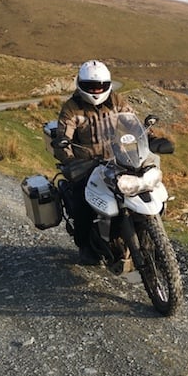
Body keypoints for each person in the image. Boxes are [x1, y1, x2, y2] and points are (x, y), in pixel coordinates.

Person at [55, 60, 137, 265]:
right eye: (91, 86)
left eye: (100, 86)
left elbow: (133, 123)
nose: (96, 90)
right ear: (81, 85)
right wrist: (71, 161)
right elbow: (62, 137)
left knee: (139, 190)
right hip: (86, 167)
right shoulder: (72, 108)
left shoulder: (117, 101)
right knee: (83, 203)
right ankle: (84, 245)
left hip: (118, 161)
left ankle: (139, 234)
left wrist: (150, 137)